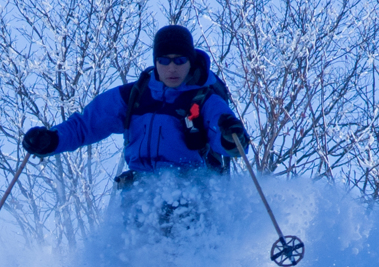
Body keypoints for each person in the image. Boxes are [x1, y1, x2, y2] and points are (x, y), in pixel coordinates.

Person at [22, 25, 249, 179]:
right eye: (164, 60)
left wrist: (231, 136)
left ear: (190, 62)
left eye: (180, 60)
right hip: (140, 187)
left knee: (170, 228)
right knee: (125, 245)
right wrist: (51, 140)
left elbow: (225, 132)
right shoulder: (134, 96)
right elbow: (86, 126)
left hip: (188, 186)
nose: (172, 68)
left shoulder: (204, 99)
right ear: (155, 62)